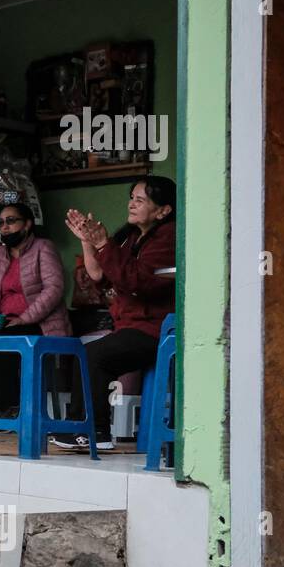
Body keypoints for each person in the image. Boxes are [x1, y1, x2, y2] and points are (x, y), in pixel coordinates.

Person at [50, 177, 176, 451]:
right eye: (132, 197)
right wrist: (87, 241)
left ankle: (95, 431)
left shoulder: (169, 237)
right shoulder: (132, 237)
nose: (131, 203)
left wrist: (104, 244)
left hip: (157, 330)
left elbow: (136, 280)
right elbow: (99, 274)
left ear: (163, 210)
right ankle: (82, 428)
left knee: (96, 354)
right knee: (89, 351)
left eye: (140, 199)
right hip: (130, 328)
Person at [0, 202, 69, 415]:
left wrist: (24, 318)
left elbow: (54, 288)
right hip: (5, 322)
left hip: (40, 324)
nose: (4, 227)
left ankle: (8, 406)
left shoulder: (43, 248)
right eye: (1, 223)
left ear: (27, 224)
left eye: (11, 221)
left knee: (7, 341)